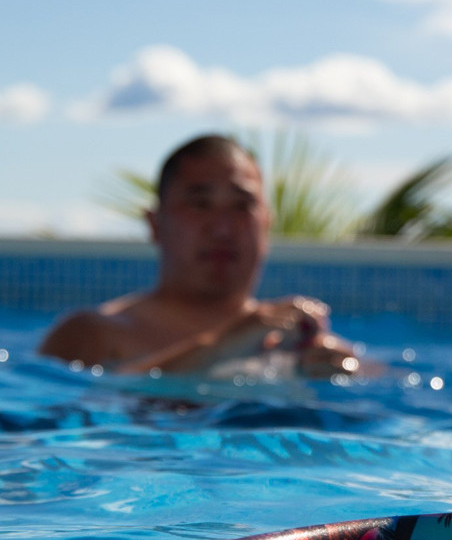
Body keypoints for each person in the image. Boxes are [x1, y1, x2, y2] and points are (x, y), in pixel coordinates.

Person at [39, 134, 362, 377]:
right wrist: (220, 346)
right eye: (200, 204)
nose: (222, 228)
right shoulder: (93, 333)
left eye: (242, 206)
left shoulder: (298, 344)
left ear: (266, 225)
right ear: (155, 224)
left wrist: (344, 370)